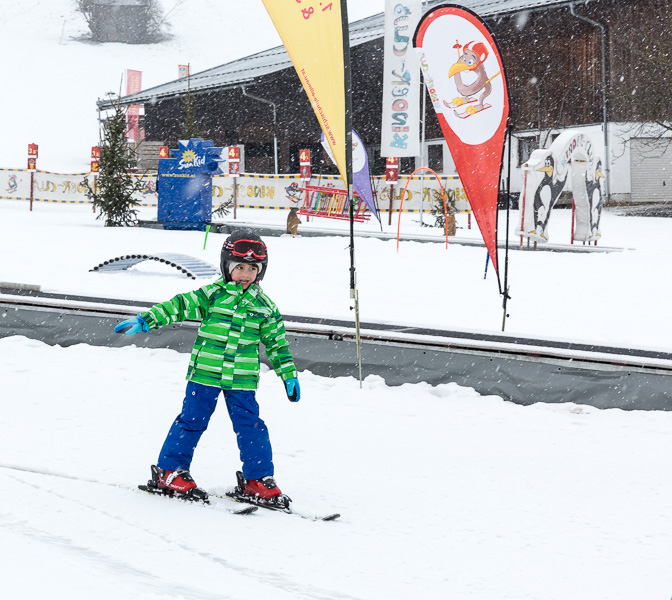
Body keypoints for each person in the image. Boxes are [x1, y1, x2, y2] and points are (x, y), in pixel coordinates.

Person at [114, 229, 300, 504]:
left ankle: (257, 480)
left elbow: (277, 344)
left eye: (252, 268)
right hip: (205, 374)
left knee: (251, 426)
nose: (246, 274)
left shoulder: (265, 307)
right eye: (239, 267)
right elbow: (179, 305)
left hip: (242, 379)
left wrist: (289, 374)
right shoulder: (211, 295)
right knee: (192, 421)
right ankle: (169, 471)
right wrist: (148, 319)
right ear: (227, 267)